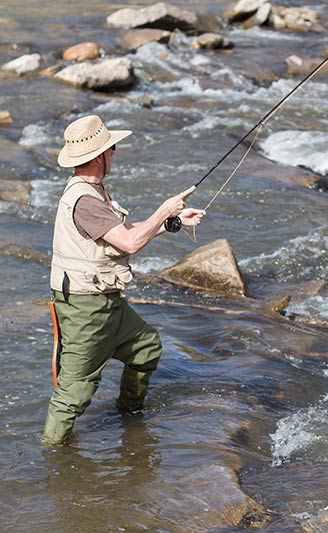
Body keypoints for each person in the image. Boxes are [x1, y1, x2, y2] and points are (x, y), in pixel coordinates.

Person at [42, 115, 204, 445]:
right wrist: (162, 210)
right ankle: (51, 458)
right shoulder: (84, 200)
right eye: (112, 147)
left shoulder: (92, 192)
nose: (115, 152)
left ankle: (129, 418)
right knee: (74, 394)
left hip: (107, 302)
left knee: (146, 348)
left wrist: (172, 222)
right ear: (99, 156)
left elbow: (122, 234)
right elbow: (130, 244)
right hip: (86, 309)